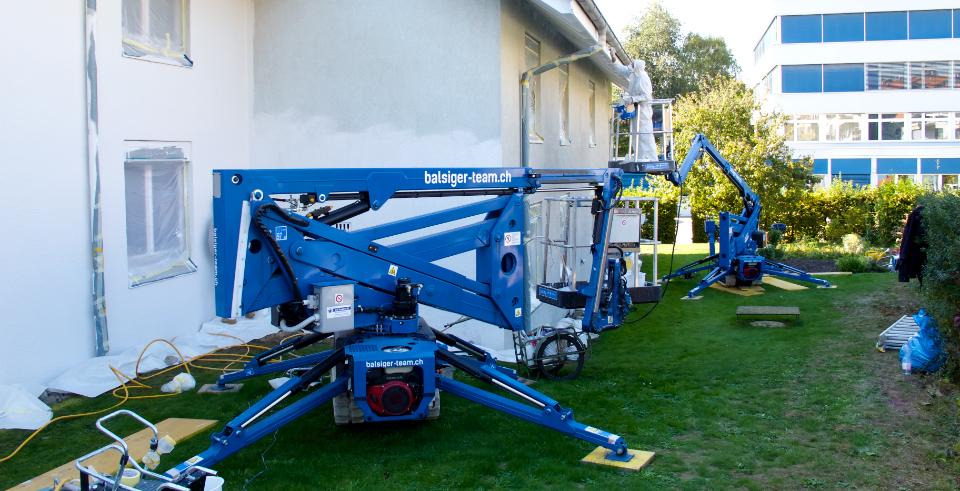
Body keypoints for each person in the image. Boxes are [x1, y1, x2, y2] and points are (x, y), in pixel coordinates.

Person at [611, 51, 658, 161]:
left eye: (632, 65)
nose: (630, 66)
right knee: (635, 136)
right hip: (635, 109)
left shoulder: (643, 78)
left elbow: (646, 96)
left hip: (644, 110)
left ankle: (653, 160)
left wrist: (632, 99)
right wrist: (613, 57)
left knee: (645, 135)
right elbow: (620, 69)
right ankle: (639, 158)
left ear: (637, 68)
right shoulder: (633, 74)